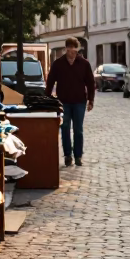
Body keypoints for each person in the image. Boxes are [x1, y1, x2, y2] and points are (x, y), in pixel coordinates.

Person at [45, 36, 95, 167]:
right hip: (63, 102)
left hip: (79, 101)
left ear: (77, 50)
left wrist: (91, 100)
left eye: (74, 49)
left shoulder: (84, 64)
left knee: (78, 130)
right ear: (65, 48)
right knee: (65, 128)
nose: (72, 52)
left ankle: (78, 156)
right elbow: (50, 81)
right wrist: (47, 98)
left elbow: (90, 83)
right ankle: (68, 155)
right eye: (69, 49)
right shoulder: (58, 64)